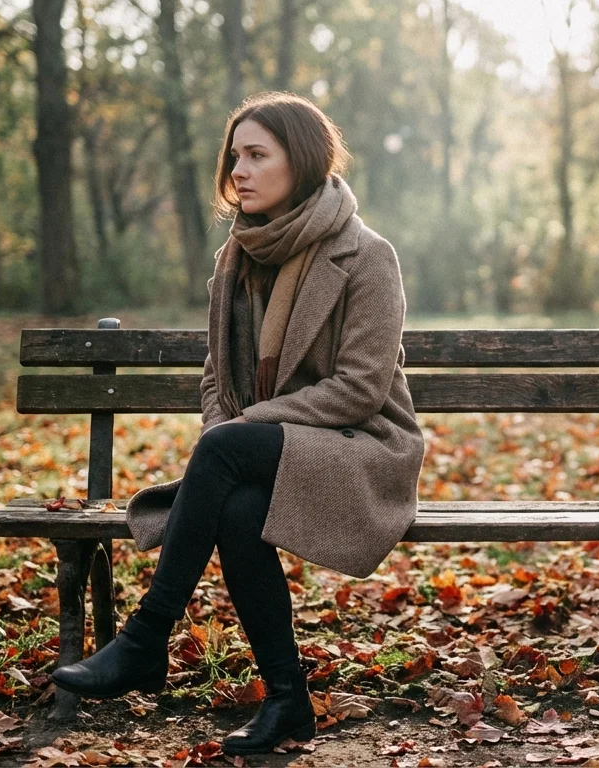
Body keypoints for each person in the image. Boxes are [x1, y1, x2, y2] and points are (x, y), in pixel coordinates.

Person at [50, 92, 425, 756]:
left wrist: (242, 426)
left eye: (257, 155)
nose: (239, 171)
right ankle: (288, 702)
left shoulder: (366, 255)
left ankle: (144, 639)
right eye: (234, 157)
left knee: (228, 452)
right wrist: (233, 427)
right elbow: (217, 376)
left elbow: (362, 389)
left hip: (361, 448)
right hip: (267, 451)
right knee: (239, 509)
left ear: (301, 161)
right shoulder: (237, 258)